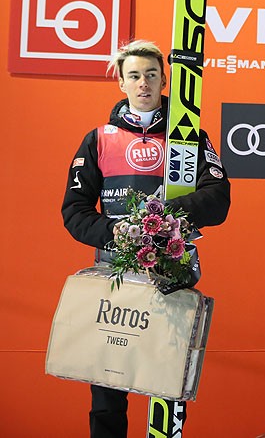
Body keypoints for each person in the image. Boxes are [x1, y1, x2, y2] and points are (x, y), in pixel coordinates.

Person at [61, 39, 230, 438]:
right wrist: (116, 233)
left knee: (168, 384)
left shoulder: (189, 137)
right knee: (107, 388)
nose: (143, 83)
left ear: (164, 80)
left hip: (172, 273)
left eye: (152, 75)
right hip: (114, 274)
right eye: (134, 75)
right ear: (121, 82)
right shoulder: (99, 138)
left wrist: (164, 219)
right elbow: (74, 211)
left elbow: (218, 199)